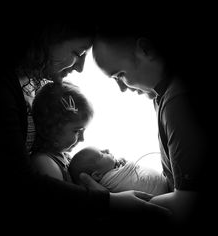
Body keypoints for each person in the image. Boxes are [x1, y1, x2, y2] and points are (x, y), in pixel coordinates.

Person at [0, 18, 171, 232]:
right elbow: (18, 183)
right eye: (78, 53)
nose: (80, 66)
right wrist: (110, 202)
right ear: (49, 36)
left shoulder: (30, 84)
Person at [84, 20, 212, 228]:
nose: (122, 88)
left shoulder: (177, 101)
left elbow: (187, 204)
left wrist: (110, 204)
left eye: (120, 75)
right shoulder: (161, 95)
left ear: (146, 49)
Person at [30, 80, 94, 182]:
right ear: (51, 129)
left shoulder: (63, 156)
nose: (82, 139)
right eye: (76, 131)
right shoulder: (44, 162)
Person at [69, 146, 168, 196]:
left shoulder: (111, 170)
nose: (107, 150)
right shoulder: (110, 183)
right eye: (102, 154)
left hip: (164, 191)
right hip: (159, 195)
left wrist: (119, 165)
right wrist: (124, 166)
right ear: (97, 175)